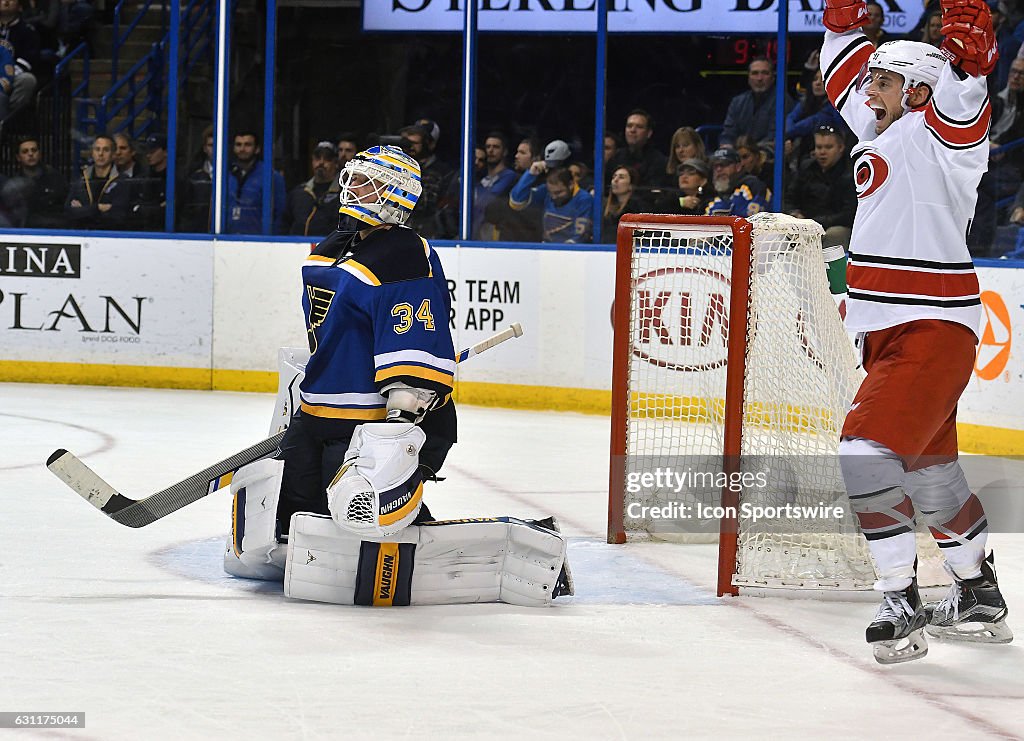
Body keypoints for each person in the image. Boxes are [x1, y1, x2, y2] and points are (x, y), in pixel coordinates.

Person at [222, 144, 572, 607]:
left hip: (370, 422)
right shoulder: (332, 248)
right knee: (294, 517)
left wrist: (396, 426)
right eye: (354, 177)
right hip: (319, 413)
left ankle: (496, 555)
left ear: (393, 195)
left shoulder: (405, 256)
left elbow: (414, 345)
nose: (351, 187)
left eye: (365, 181)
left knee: (359, 514)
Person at [821, 0, 1011, 663]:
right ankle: (977, 591)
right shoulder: (885, 126)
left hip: (928, 326)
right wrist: (842, 28)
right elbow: (838, 72)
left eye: (881, 81)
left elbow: (967, 94)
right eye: (869, 79)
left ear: (919, 91)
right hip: (894, 333)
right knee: (931, 474)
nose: (866, 90)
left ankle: (900, 596)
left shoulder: (945, 136)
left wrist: (974, 61)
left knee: (864, 453)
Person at [784, 125, 856, 249]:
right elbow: (789, 198)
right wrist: (794, 213)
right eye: (819, 147)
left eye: (828, 147)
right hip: (806, 224)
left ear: (841, 148)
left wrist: (817, 222)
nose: (822, 152)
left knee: (834, 234)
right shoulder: (806, 168)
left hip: (834, 226)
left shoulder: (850, 173)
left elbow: (849, 215)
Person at [509, 160, 593, 243]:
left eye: (558, 192)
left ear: (571, 185)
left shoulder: (584, 199)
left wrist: (559, 252)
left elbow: (580, 236)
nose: (554, 197)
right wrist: (530, 174)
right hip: (546, 249)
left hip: (570, 252)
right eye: (551, 192)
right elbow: (516, 202)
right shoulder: (546, 191)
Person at [720, 58, 795, 149]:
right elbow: (728, 133)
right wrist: (726, 146)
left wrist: (749, 150)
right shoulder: (737, 102)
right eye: (755, 73)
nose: (759, 78)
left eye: (765, 73)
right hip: (738, 154)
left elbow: (773, 138)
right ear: (749, 78)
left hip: (767, 155)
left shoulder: (782, 101)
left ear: (773, 78)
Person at [399, 118, 456, 238]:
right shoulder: (400, 167)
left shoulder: (442, 172)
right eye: (407, 142)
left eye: (414, 143)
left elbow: (424, 205)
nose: (409, 147)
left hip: (429, 236)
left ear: (430, 143)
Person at [225, 128, 286, 234]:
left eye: (247, 145)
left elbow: (280, 214)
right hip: (227, 240)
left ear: (257, 149)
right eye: (238, 145)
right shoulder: (225, 175)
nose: (242, 149)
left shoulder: (271, 176)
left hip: (259, 242)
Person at [65, 133, 131, 229]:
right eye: (97, 149)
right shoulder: (81, 180)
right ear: (92, 153)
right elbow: (68, 212)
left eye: (106, 150)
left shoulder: (123, 181)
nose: (100, 154)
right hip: (82, 234)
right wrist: (98, 208)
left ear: (113, 154)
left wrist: (84, 210)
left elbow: (118, 216)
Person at [282, 140, 341, 237]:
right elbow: (284, 225)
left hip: (330, 250)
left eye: (327, 158)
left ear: (335, 163)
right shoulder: (298, 193)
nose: (321, 162)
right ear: (312, 161)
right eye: (317, 158)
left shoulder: (345, 195)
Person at [12, 134, 65, 228]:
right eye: (25, 151)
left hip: (53, 231)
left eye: (34, 150)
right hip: (24, 233)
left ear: (39, 153)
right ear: (18, 157)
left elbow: (64, 208)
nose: (30, 154)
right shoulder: (14, 184)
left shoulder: (55, 178)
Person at [472, 131, 517, 239]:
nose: (491, 150)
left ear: (505, 151)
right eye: (488, 147)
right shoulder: (480, 180)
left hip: (495, 237)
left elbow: (488, 201)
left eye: (496, 147)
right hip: (475, 235)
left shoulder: (509, 176)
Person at [605, 109, 668, 186]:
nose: (632, 130)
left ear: (649, 133)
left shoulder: (659, 161)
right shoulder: (616, 157)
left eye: (639, 127)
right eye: (629, 126)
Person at [704, 147, 769, 217]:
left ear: (738, 167)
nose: (719, 169)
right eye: (715, 166)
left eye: (724, 164)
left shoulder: (752, 186)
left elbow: (758, 220)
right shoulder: (711, 195)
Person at [178, 125, 213, 232]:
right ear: (204, 148)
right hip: (197, 233)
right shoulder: (192, 175)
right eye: (211, 145)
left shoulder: (233, 173)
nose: (215, 149)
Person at [601, 165, 648, 243]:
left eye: (621, 177)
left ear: (631, 185)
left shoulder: (638, 208)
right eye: (614, 177)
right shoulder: (604, 207)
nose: (615, 180)